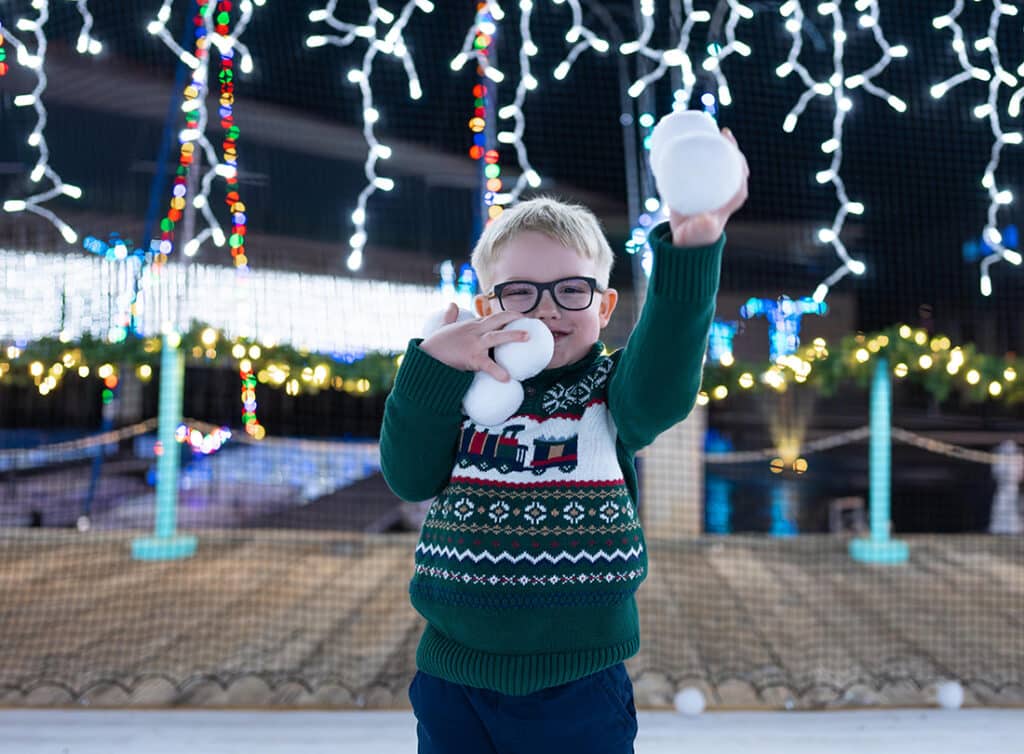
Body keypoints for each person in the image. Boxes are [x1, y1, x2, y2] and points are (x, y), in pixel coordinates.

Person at [381, 129, 749, 753]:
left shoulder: (608, 393)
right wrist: (430, 367)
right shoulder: (461, 391)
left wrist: (692, 251)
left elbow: (661, 387)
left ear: (604, 307)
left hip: (579, 685)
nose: (547, 310)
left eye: (571, 290)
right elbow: (409, 475)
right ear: (487, 306)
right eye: (520, 291)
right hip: (452, 679)